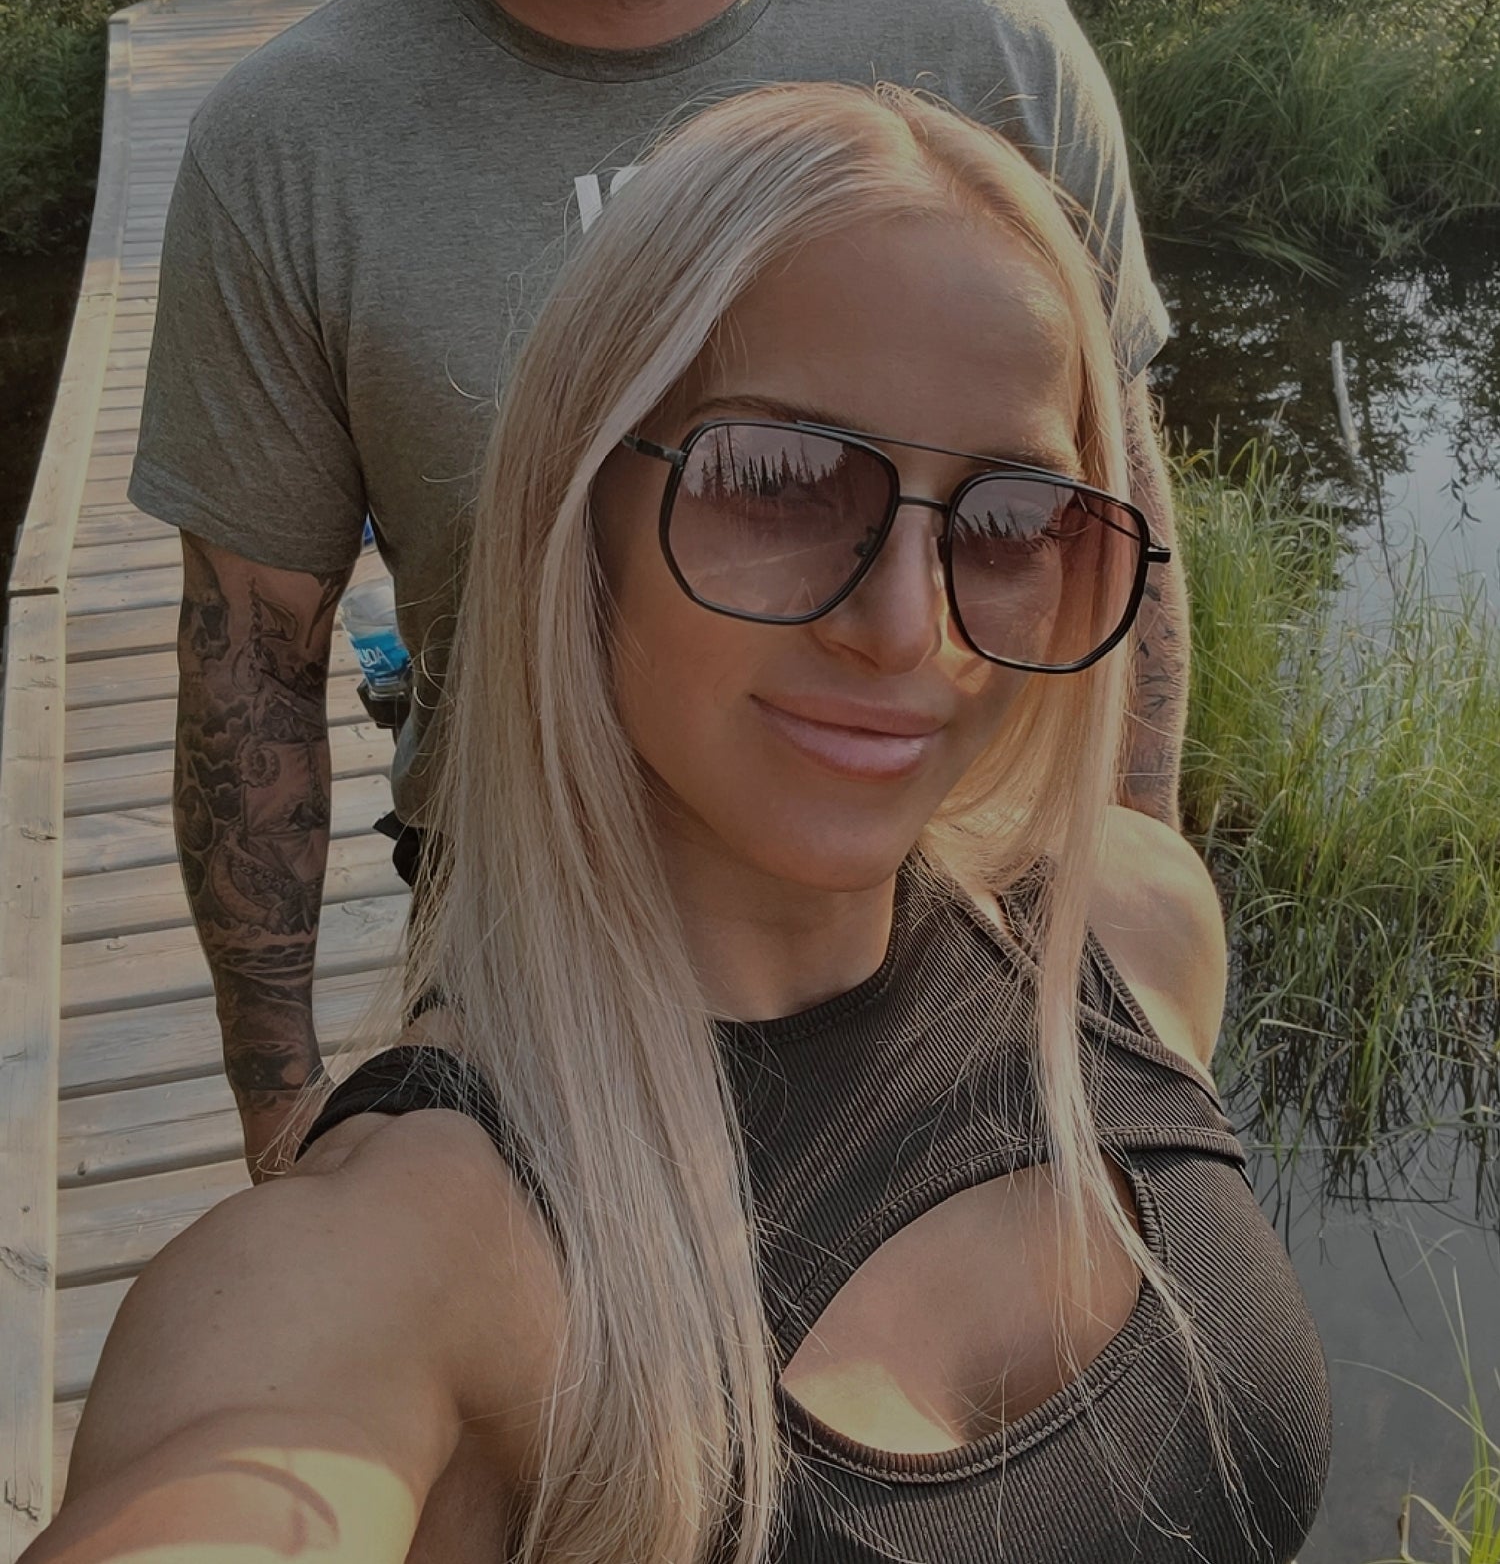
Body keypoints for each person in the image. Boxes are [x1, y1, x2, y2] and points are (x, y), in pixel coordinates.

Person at [34, 87, 1327, 1564]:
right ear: (573, 513)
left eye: (1016, 517)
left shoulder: (1136, 933)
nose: (907, 629)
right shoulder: (409, 1254)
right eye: (775, 483)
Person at [128, 0, 1191, 1180]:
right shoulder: (293, 145)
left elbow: (1115, 531)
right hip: (540, 1013)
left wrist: (1118, 957)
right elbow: (251, 655)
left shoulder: (994, 54)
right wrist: (283, 1111)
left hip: (963, 972)